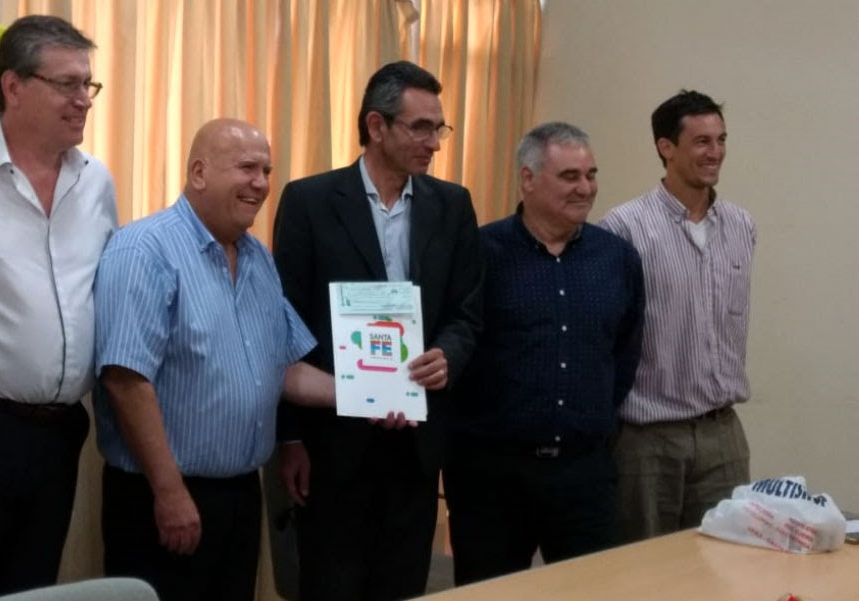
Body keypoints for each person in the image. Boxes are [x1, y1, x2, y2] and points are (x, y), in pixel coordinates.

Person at [93, 118, 331, 601]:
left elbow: (284, 368)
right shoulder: (144, 249)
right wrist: (169, 492)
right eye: (247, 168)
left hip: (240, 496)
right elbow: (125, 380)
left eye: (266, 171)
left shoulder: (259, 258)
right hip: (162, 495)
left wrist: (375, 392)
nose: (260, 183)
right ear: (199, 172)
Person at [272, 61, 483, 601]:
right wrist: (290, 438)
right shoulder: (310, 202)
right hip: (334, 444)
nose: (434, 142)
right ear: (376, 126)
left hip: (416, 443)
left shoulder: (452, 205)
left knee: (404, 583)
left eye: (439, 127)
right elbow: (286, 323)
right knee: (331, 584)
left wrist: (448, 354)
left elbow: (466, 311)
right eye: (421, 127)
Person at [0, 15, 117, 599]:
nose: (83, 100)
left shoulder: (96, 182)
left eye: (88, 85)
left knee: (33, 588)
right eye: (67, 84)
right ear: (13, 86)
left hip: (62, 434)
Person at [444, 122, 645, 584]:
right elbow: (456, 345)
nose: (585, 188)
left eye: (591, 175)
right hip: (492, 475)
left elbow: (625, 352)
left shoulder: (617, 259)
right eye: (570, 176)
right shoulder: (479, 252)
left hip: (584, 474)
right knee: (488, 594)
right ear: (528, 179)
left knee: (592, 592)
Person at [600, 90, 756, 542]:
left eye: (721, 139)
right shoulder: (624, 227)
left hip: (722, 433)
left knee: (725, 562)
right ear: (666, 147)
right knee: (642, 565)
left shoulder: (742, 225)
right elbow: (607, 336)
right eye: (702, 141)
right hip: (649, 439)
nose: (715, 152)